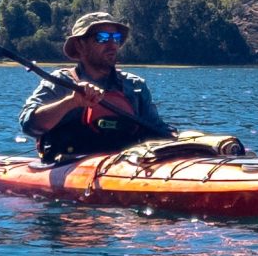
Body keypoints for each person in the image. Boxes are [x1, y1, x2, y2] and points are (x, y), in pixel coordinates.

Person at [20, 10, 169, 162]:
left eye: (116, 38)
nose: (112, 45)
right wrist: (71, 102)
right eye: (102, 38)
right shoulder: (59, 82)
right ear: (80, 45)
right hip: (68, 168)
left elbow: (159, 132)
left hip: (124, 169)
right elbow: (29, 125)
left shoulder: (135, 86)